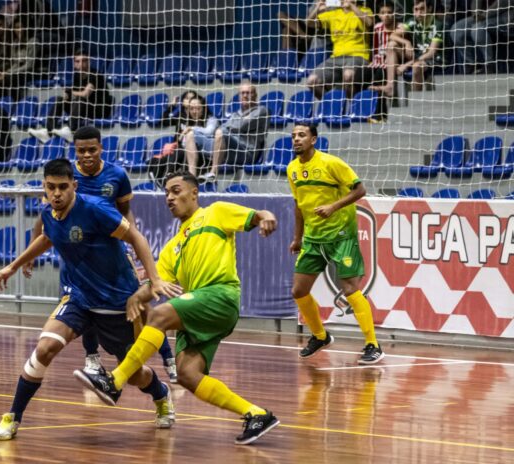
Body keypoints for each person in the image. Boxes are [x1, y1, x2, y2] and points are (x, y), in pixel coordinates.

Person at [74, 171, 281, 445]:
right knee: (187, 375)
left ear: (194, 193)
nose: (170, 197)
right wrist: (136, 296)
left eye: (176, 190)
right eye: (167, 194)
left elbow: (258, 215)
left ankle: (114, 381)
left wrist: (266, 216)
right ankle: (255, 414)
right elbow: (154, 284)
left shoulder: (215, 213)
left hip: (220, 296)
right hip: (200, 306)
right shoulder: (173, 246)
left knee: (160, 315)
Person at [0, 159, 181, 441]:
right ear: (44, 187)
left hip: (117, 303)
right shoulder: (49, 214)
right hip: (79, 297)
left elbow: (137, 239)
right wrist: (13, 266)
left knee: (135, 374)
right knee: (44, 349)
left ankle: (160, 394)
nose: (56, 193)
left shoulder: (96, 209)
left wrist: (154, 281)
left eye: (63, 187)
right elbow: (46, 238)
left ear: (74, 186)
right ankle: (13, 417)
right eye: (51, 187)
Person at [23, 126, 179, 383]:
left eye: (91, 150)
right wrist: (29, 252)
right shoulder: (64, 178)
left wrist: (133, 238)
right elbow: (45, 220)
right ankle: (92, 357)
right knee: (84, 305)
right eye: (81, 150)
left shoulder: (116, 175)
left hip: (114, 250)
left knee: (140, 307)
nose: (86, 155)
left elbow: (126, 210)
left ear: (101, 148)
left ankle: (167, 358)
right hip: (80, 254)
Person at [286, 123, 384, 365]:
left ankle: (373, 344)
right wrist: (298, 238)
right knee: (298, 290)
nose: (296, 139)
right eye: (293, 136)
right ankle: (320, 336)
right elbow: (298, 206)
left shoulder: (331, 163)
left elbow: (360, 189)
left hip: (341, 236)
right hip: (313, 239)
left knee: (350, 288)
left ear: (314, 140)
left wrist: (333, 206)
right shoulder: (292, 169)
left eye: (302, 135)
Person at [28, 50, 113, 143]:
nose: (81, 64)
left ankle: (71, 131)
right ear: (74, 64)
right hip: (85, 109)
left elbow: (85, 94)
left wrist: (70, 92)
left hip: (99, 109)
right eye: (78, 61)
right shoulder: (77, 76)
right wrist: (66, 96)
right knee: (59, 100)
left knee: (80, 99)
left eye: (84, 60)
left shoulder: (95, 74)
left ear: (89, 61)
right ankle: (48, 132)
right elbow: (73, 94)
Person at [199, 83, 268, 183]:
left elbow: (242, 125)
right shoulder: (236, 114)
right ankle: (190, 177)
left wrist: (231, 126)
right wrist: (234, 126)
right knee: (192, 136)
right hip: (229, 150)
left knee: (221, 132)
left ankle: (213, 173)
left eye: (248, 93)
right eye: (242, 93)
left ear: (255, 95)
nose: (245, 96)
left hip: (247, 153)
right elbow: (224, 127)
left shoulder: (261, 111)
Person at [306, 0, 374, 100]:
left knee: (348, 75)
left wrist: (351, 6)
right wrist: (317, 8)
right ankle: (330, 107)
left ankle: (351, 108)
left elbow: (369, 22)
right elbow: (309, 23)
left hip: (358, 55)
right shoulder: (333, 14)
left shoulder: (364, 10)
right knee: (312, 80)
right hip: (335, 57)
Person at [372, 1, 443, 96]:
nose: (418, 13)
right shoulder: (412, 21)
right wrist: (407, 43)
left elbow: (431, 52)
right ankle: (390, 86)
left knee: (417, 66)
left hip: (433, 59)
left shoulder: (438, 25)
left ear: (429, 9)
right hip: (416, 56)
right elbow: (392, 35)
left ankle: (416, 102)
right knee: (391, 45)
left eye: (422, 9)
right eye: (416, 10)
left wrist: (407, 64)